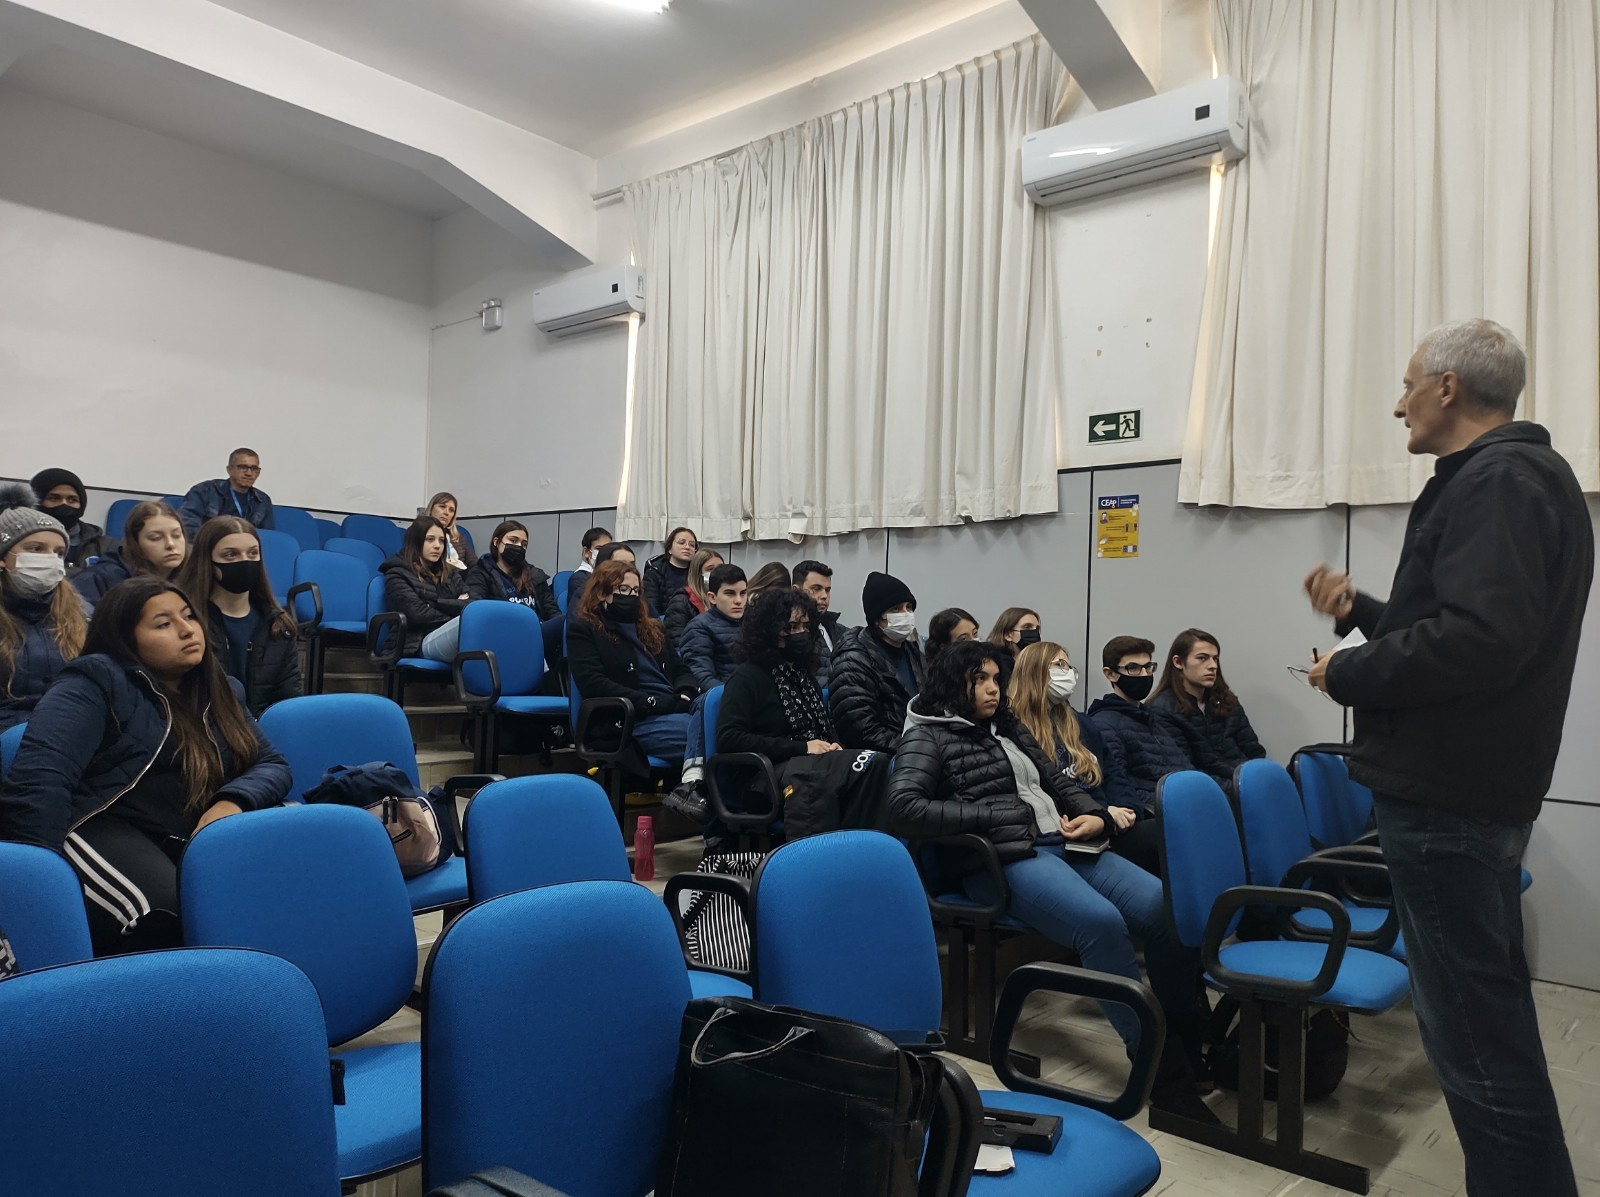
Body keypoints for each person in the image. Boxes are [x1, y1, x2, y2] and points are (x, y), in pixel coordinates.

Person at [1304, 319, 1588, 1197]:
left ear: (1448, 387)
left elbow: (1476, 642)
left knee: (1477, 1046)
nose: (1400, 406)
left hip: (1446, 801)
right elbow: (1463, 628)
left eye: (1406, 386)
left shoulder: (1496, 481)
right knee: (1487, 1030)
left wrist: (1344, 670)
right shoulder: (1529, 478)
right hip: (1474, 792)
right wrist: (1362, 614)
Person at [887, 640, 1213, 1116]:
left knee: (1164, 908)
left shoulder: (1007, 726)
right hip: (1001, 861)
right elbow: (903, 808)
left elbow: (1057, 782)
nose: (993, 689)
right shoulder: (927, 736)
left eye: (997, 679)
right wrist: (995, 815)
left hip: (1061, 843)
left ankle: (1184, 1034)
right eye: (980, 680)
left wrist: (1094, 814)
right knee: (1101, 923)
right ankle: (1159, 1066)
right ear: (952, 683)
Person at [0, 576, 291, 956]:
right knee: (172, 916)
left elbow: (271, 764)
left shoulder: (220, 686)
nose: (187, 630)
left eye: (189, 616)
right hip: (102, 825)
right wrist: (38, 883)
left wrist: (232, 801)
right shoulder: (93, 682)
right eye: (163, 624)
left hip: (190, 830)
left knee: (275, 896)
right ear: (125, 638)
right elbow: (40, 779)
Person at [714, 588, 892, 842]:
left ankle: (857, 845)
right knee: (816, 774)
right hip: (764, 776)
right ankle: (812, 856)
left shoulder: (804, 677)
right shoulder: (747, 678)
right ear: (768, 631)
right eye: (791, 627)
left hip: (811, 764)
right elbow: (729, 738)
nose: (801, 633)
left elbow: (822, 727)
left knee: (875, 762)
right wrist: (803, 747)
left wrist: (833, 745)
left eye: (805, 626)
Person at [1010, 640, 1155, 872]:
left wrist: (1127, 810)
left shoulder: (1081, 723)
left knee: (1172, 829)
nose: (1068, 673)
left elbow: (1115, 776)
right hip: (1071, 833)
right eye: (1060, 665)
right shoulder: (1015, 731)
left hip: (1109, 826)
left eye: (1069, 667)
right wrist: (1103, 813)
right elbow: (1044, 794)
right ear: (1035, 672)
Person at [567, 560, 699, 784]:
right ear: (602, 593)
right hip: (630, 719)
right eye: (623, 589)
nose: (631, 596)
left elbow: (680, 668)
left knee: (717, 719)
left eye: (636, 591)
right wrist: (653, 703)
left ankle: (694, 789)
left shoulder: (653, 627)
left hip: (674, 708)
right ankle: (695, 790)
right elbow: (594, 684)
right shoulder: (584, 629)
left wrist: (685, 690)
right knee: (705, 735)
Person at [1086, 636, 1190, 875]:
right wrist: (1174, 804)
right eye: (1133, 668)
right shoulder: (1104, 724)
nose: (1144, 675)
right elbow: (1121, 786)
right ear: (1111, 674)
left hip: (1178, 806)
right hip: (1150, 817)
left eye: (1148, 667)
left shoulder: (1152, 718)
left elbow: (1183, 767)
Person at [176, 517, 300, 717]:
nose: (245, 561)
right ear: (208, 561)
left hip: (261, 730)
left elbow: (288, 701)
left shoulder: (279, 625)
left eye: (253, 553)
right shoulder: (188, 623)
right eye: (231, 555)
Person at [0, 490, 89, 732]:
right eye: (36, 549)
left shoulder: (80, 612)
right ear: (3, 558)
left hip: (70, 728)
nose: (51, 559)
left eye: (59, 553)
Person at [1147, 629, 1265, 787]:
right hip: (1207, 790)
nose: (1212, 666)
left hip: (1245, 781)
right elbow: (1186, 771)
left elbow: (1254, 752)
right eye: (1202, 658)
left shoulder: (1226, 700)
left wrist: (1259, 781)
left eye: (1215, 659)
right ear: (1178, 662)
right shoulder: (1162, 709)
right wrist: (1241, 788)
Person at [827, 571, 925, 754]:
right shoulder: (853, 660)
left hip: (918, 747)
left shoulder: (913, 651)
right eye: (896, 609)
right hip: (884, 756)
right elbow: (860, 731)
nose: (906, 614)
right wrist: (916, 748)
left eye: (909, 607)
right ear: (877, 618)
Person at [462, 520, 563, 661]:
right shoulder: (481, 573)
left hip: (537, 631)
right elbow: (476, 609)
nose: (519, 547)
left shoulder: (534, 574)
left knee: (569, 622)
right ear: (496, 542)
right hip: (505, 633)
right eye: (513, 540)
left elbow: (552, 611)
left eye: (524, 544)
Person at [380, 516, 469, 662]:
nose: (437, 546)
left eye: (441, 541)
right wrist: (454, 609)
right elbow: (417, 614)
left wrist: (434, 604)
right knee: (469, 623)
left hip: (442, 635)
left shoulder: (449, 572)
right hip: (415, 643)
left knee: (480, 621)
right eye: (430, 539)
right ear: (415, 541)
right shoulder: (397, 573)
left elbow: (472, 601)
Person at [73, 501, 187, 603]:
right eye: (155, 538)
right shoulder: (97, 580)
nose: (170, 544)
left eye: (176, 535)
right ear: (135, 543)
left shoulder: (191, 577)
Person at [30, 468, 115, 574]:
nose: (64, 504)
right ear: (37, 503)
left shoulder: (106, 546)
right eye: (54, 498)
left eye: (72, 500)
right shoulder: (23, 544)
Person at [178, 448, 274, 538]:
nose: (249, 473)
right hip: (208, 545)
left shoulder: (262, 501)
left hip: (244, 547)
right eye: (243, 467)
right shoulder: (204, 491)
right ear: (229, 470)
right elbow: (187, 525)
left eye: (254, 468)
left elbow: (268, 536)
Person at [679, 564, 747, 691]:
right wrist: (732, 696)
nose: (738, 600)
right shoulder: (698, 628)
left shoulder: (753, 623)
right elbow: (701, 677)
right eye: (730, 593)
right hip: (724, 696)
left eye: (743, 593)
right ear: (712, 597)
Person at [663, 548, 726, 650]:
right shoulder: (681, 601)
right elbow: (676, 643)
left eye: (720, 569)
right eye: (710, 569)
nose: (716, 573)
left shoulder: (726, 600)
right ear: (698, 573)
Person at [791, 560, 850, 656]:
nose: (824, 596)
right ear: (796, 590)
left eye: (827, 590)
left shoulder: (842, 633)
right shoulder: (786, 634)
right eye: (816, 589)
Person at [642, 526, 698, 617]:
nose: (687, 547)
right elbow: (651, 608)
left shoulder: (698, 572)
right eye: (681, 543)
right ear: (669, 548)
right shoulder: (654, 571)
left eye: (692, 545)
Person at [565, 526, 613, 612]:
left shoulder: (612, 576)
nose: (605, 553)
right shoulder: (578, 578)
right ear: (586, 552)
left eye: (608, 549)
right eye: (599, 548)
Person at [425, 492, 478, 569]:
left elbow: (473, 562)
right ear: (431, 509)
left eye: (451, 510)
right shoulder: (420, 533)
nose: (447, 513)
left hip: (465, 574)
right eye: (442, 507)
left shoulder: (459, 536)